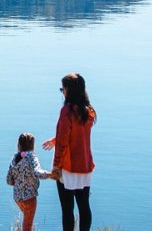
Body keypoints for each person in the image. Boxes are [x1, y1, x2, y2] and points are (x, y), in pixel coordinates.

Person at [42, 72, 97, 231]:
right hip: (85, 166)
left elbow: (63, 142)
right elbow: (77, 133)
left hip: (68, 168)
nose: (62, 92)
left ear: (68, 90)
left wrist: (56, 167)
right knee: (84, 206)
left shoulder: (67, 110)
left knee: (67, 209)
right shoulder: (88, 110)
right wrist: (55, 139)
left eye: (63, 89)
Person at [6, 132, 52, 231]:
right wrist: (50, 174)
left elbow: (9, 180)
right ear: (33, 146)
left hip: (18, 198)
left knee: (26, 222)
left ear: (19, 145)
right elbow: (37, 172)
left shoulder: (15, 158)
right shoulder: (32, 157)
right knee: (27, 225)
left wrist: (19, 181)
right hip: (29, 197)